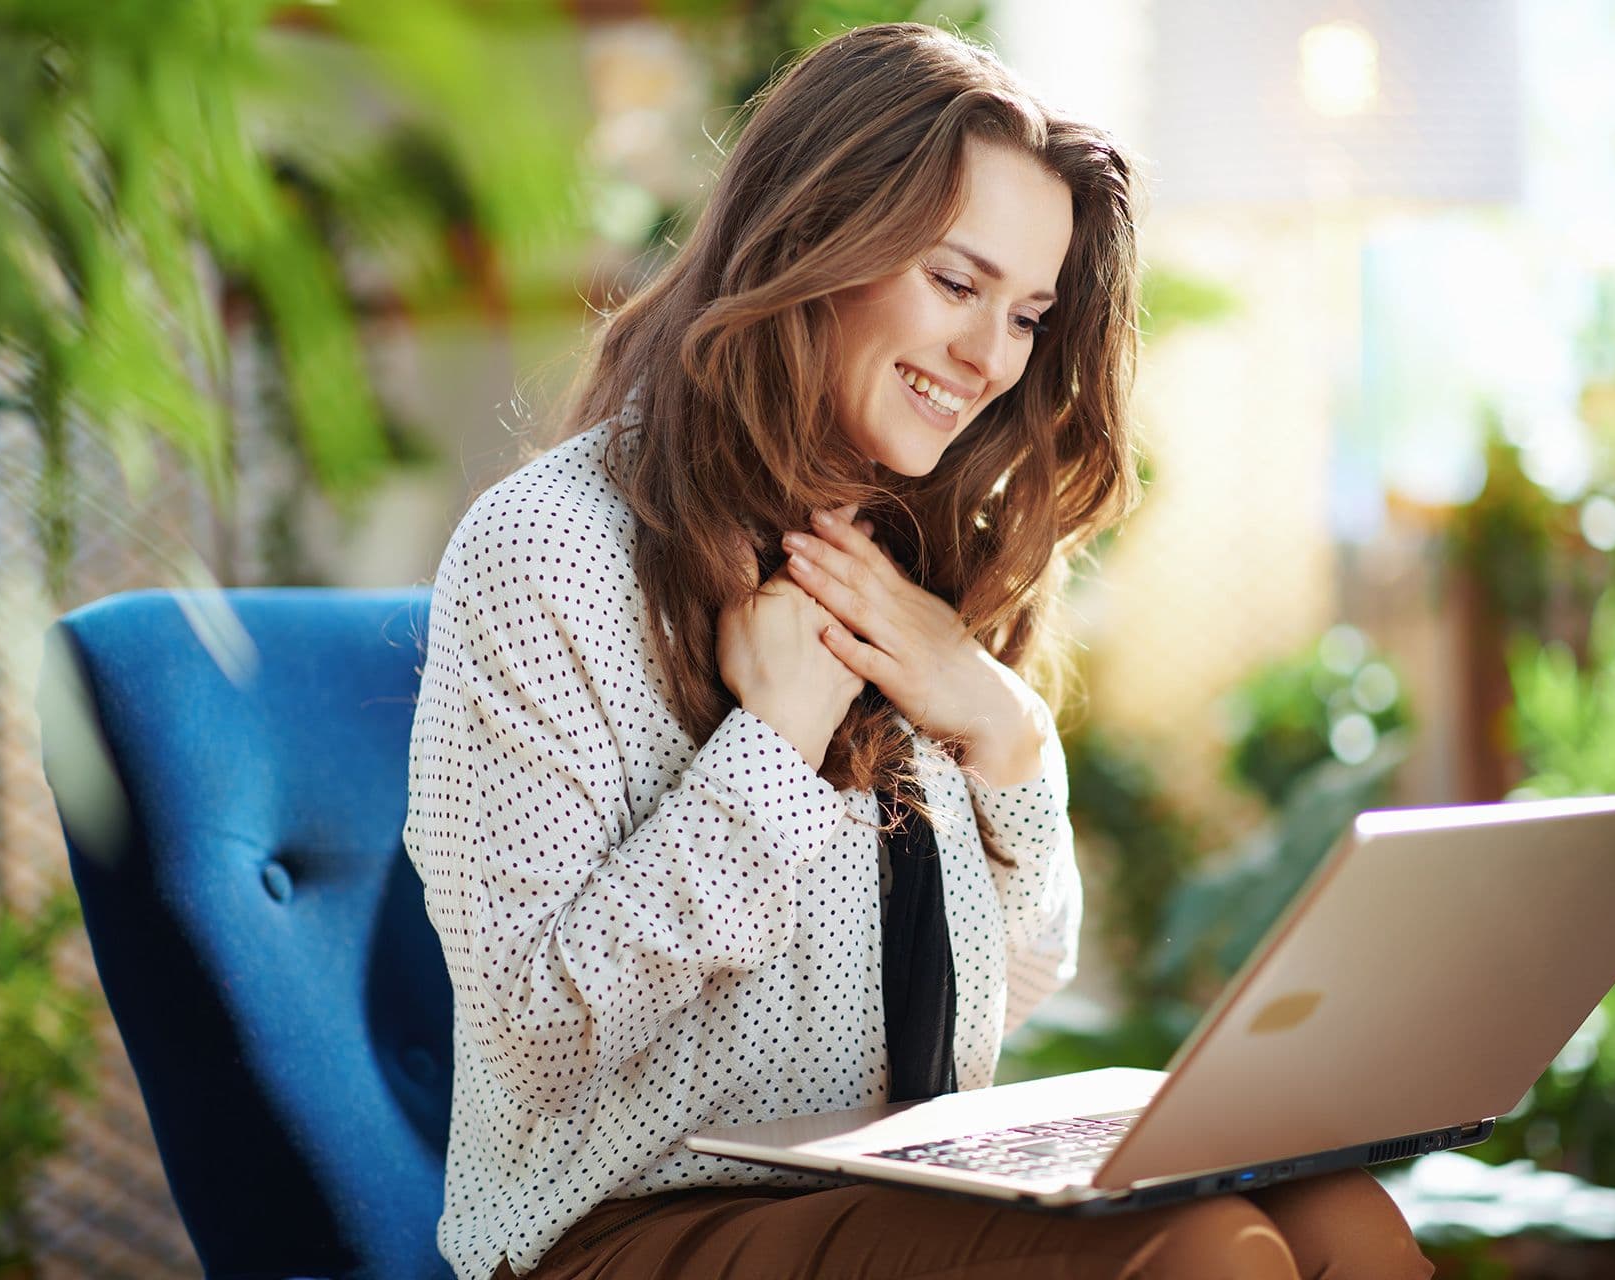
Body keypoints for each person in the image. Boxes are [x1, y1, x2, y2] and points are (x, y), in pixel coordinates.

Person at [404, 21, 1432, 1280]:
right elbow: (533, 1032)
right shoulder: (548, 551)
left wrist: (1005, 728)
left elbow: (1022, 975)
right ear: (813, 241)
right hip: (620, 1225)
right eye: (956, 284)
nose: (990, 359)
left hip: (896, 1177)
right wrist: (772, 751)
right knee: (1205, 1251)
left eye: (1026, 315)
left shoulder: (908, 543)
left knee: (1348, 1222)